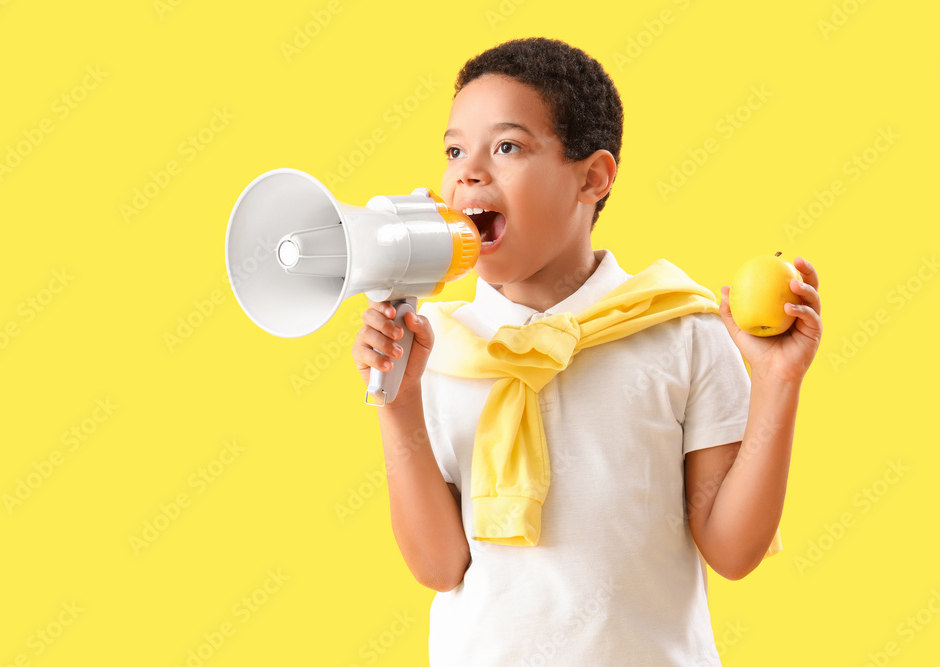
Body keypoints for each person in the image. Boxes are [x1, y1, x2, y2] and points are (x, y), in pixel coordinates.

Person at [351, 37, 822, 665]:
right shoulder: (436, 344)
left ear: (592, 178)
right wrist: (398, 405)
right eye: (455, 150)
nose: (468, 171)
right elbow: (439, 566)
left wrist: (778, 384)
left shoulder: (680, 329)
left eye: (508, 146)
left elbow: (734, 551)